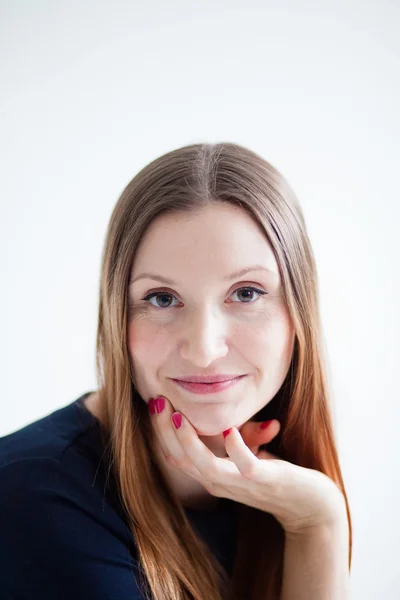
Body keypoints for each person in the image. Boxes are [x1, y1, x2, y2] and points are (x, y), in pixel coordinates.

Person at [0, 142, 352, 600]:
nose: (204, 349)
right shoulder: (29, 497)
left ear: (298, 313)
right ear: (117, 316)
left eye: (246, 293)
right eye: (162, 299)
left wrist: (317, 520)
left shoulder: (284, 485)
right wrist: (318, 525)